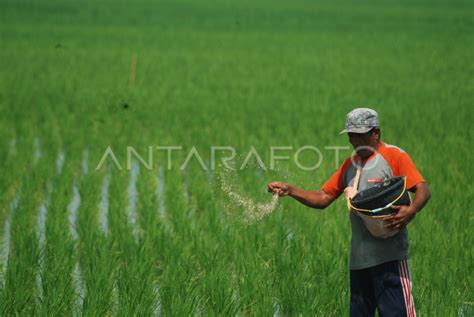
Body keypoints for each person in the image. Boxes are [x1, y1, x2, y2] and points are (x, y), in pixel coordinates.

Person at [268, 108, 431, 317]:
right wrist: (290, 190)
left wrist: (411, 211)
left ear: (376, 133)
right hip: (360, 262)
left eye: (359, 134)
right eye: (351, 135)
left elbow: (422, 189)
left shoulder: (394, 156)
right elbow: (323, 197)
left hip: (390, 259)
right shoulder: (350, 165)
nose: (354, 140)